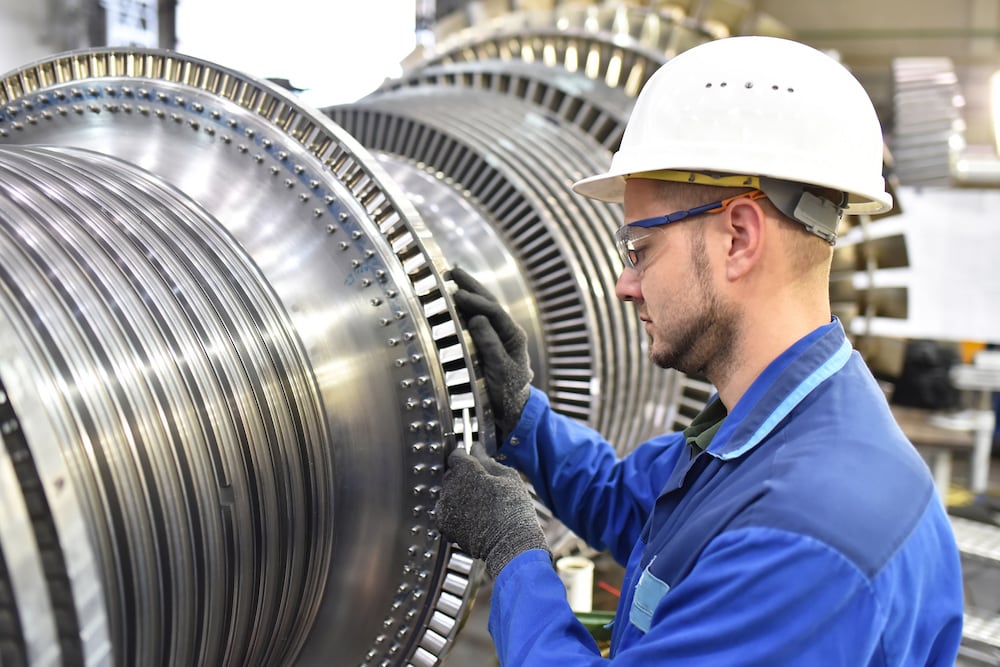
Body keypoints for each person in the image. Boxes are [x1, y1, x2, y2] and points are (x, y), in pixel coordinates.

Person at [434, 36, 964, 666]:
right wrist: (525, 418)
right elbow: (634, 504)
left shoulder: (807, 536)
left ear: (738, 236)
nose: (624, 285)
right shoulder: (775, 425)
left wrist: (517, 553)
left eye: (640, 250)